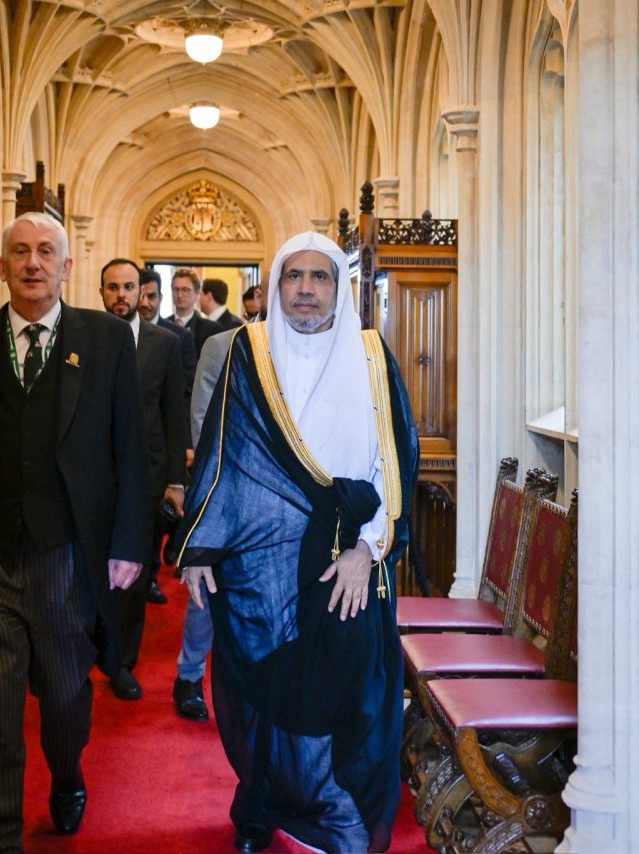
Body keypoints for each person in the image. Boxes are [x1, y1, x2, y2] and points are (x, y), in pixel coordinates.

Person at [0, 212, 149, 849]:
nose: (32, 263)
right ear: (1, 266)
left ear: (67, 267)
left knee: (66, 697)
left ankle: (67, 774)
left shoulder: (105, 341)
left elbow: (132, 449)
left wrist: (130, 544)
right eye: (20, 252)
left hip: (66, 557)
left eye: (46, 251)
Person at [175, 231, 419, 853]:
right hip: (262, 566)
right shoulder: (249, 351)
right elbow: (223, 451)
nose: (306, 289)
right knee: (265, 693)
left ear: (339, 287)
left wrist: (368, 550)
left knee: (343, 693)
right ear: (277, 285)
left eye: (320, 277)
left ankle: (337, 812)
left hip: (346, 563)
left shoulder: (371, 356)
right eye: (293, 276)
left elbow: (394, 464)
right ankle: (260, 802)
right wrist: (201, 545)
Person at [98, 258, 189, 698]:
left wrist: (176, 481)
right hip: (94, 479)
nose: (121, 295)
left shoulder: (165, 344)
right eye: (113, 287)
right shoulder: (86, 337)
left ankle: (121, 663)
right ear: (101, 293)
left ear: (141, 292)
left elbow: (174, 414)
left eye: (128, 287)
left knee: (133, 578)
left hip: (146, 479)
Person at [171, 327, 232, 722]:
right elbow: (202, 424)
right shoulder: (221, 345)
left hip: (286, 501)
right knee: (206, 588)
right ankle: (189, 675)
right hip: (220, 491)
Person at [138, 267, 195, 400]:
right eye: (140, 296)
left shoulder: (180, 337)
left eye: (151, 296)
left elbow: (187, 391)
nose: (144, 303)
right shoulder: (122, 331)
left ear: (161, 298)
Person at [170, 268, 224, 357]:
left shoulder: (211, 329)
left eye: (185, 290)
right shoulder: (161, 325)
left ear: (197, 293)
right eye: (176, 289)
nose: (179, 295)